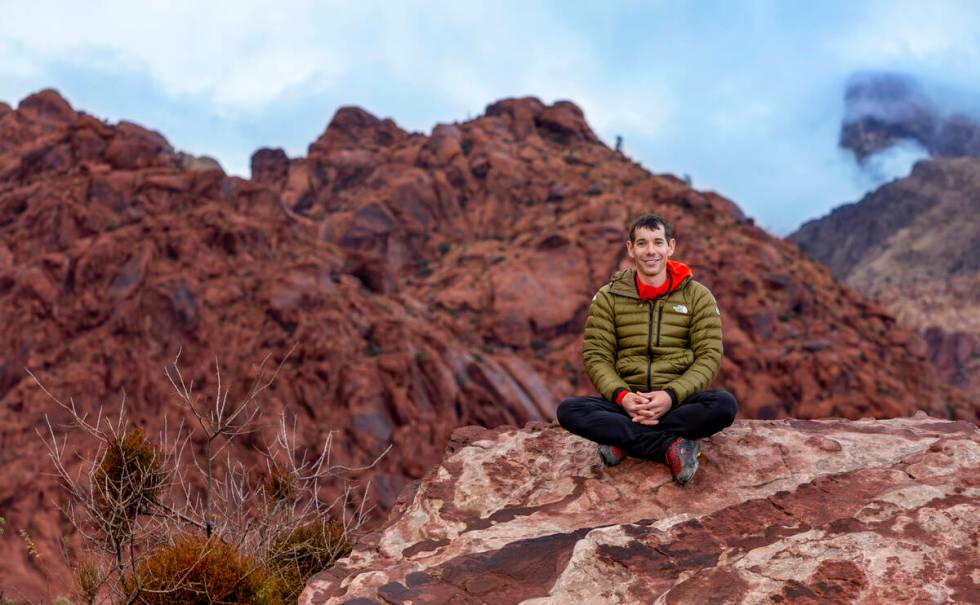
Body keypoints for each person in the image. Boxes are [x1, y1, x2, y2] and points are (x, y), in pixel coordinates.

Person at [556, 213, 738, 485]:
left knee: (724, 405)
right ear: (630, 249)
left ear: (670, 247)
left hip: (676, 402)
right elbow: (597, 357)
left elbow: (709, 357)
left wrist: (670, 396)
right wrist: (625, 398)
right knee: (569, 410)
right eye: (642, 243)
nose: (650, 251)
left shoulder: (697, 296)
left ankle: (622, 439)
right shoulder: (609, 297)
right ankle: (669, 447)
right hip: (626, 402)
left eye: (657, 242)